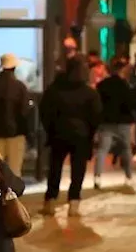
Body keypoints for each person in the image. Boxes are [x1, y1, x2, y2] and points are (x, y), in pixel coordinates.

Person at [38, 55, 101, 217]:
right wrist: (91, 134)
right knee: (78, 169)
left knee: (55, 167)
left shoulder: (55, 90)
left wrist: (50, 129)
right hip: (81, 135)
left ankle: (50, 201)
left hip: (58, 133)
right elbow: (96, 116)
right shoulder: (89, 92)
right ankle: (74, 203)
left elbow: (44, 112)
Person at [94, 56, 135, 190]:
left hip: (106, 122)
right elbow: (130, 104)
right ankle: (128, 177)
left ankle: (97, 177)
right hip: (123, 122)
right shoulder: (125, 85)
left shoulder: (102, 85)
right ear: (122, 69)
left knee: (102, 150)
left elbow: (97, 104)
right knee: (126, 149)